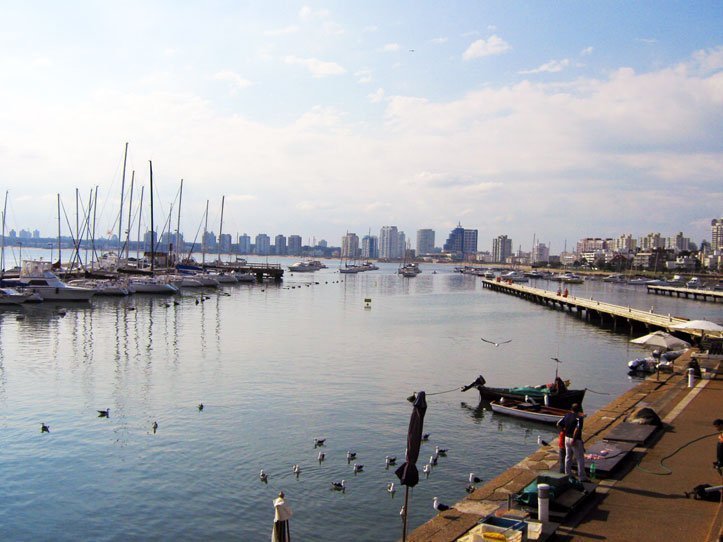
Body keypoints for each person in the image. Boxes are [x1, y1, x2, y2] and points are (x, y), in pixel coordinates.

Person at [557, 403, 589, 482]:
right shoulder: (579, 418)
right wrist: (574, 439)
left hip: (566, 438)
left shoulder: (567, 415)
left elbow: (558, 424)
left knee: (568, 457)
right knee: (580, 458)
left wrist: (564, 430)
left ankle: (568, 474)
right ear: (579, 409)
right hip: (575, 440)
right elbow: (577, 429)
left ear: (571, 409)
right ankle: (582, 477)